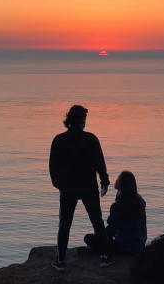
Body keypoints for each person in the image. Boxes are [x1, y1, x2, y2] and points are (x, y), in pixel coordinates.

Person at [49, 105, 111, 272]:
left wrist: (59, 185)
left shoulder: (59, 140)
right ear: (82, 121)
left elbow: (53, 168)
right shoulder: (91, 139)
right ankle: (104, 257)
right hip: (88, 187)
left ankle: (61, 261)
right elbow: (100, 163)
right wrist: (104, 181)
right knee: (97, 220)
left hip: (68, 188)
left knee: (65, 224)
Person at [84, 171, 147, 256]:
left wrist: (99, 237)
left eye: (118, 178)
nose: (116, 180)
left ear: (122, 184)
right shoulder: (140, 200)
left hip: (125, 246)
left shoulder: (119, 205)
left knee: (88, 238)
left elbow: (110, 231)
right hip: (140, 244)